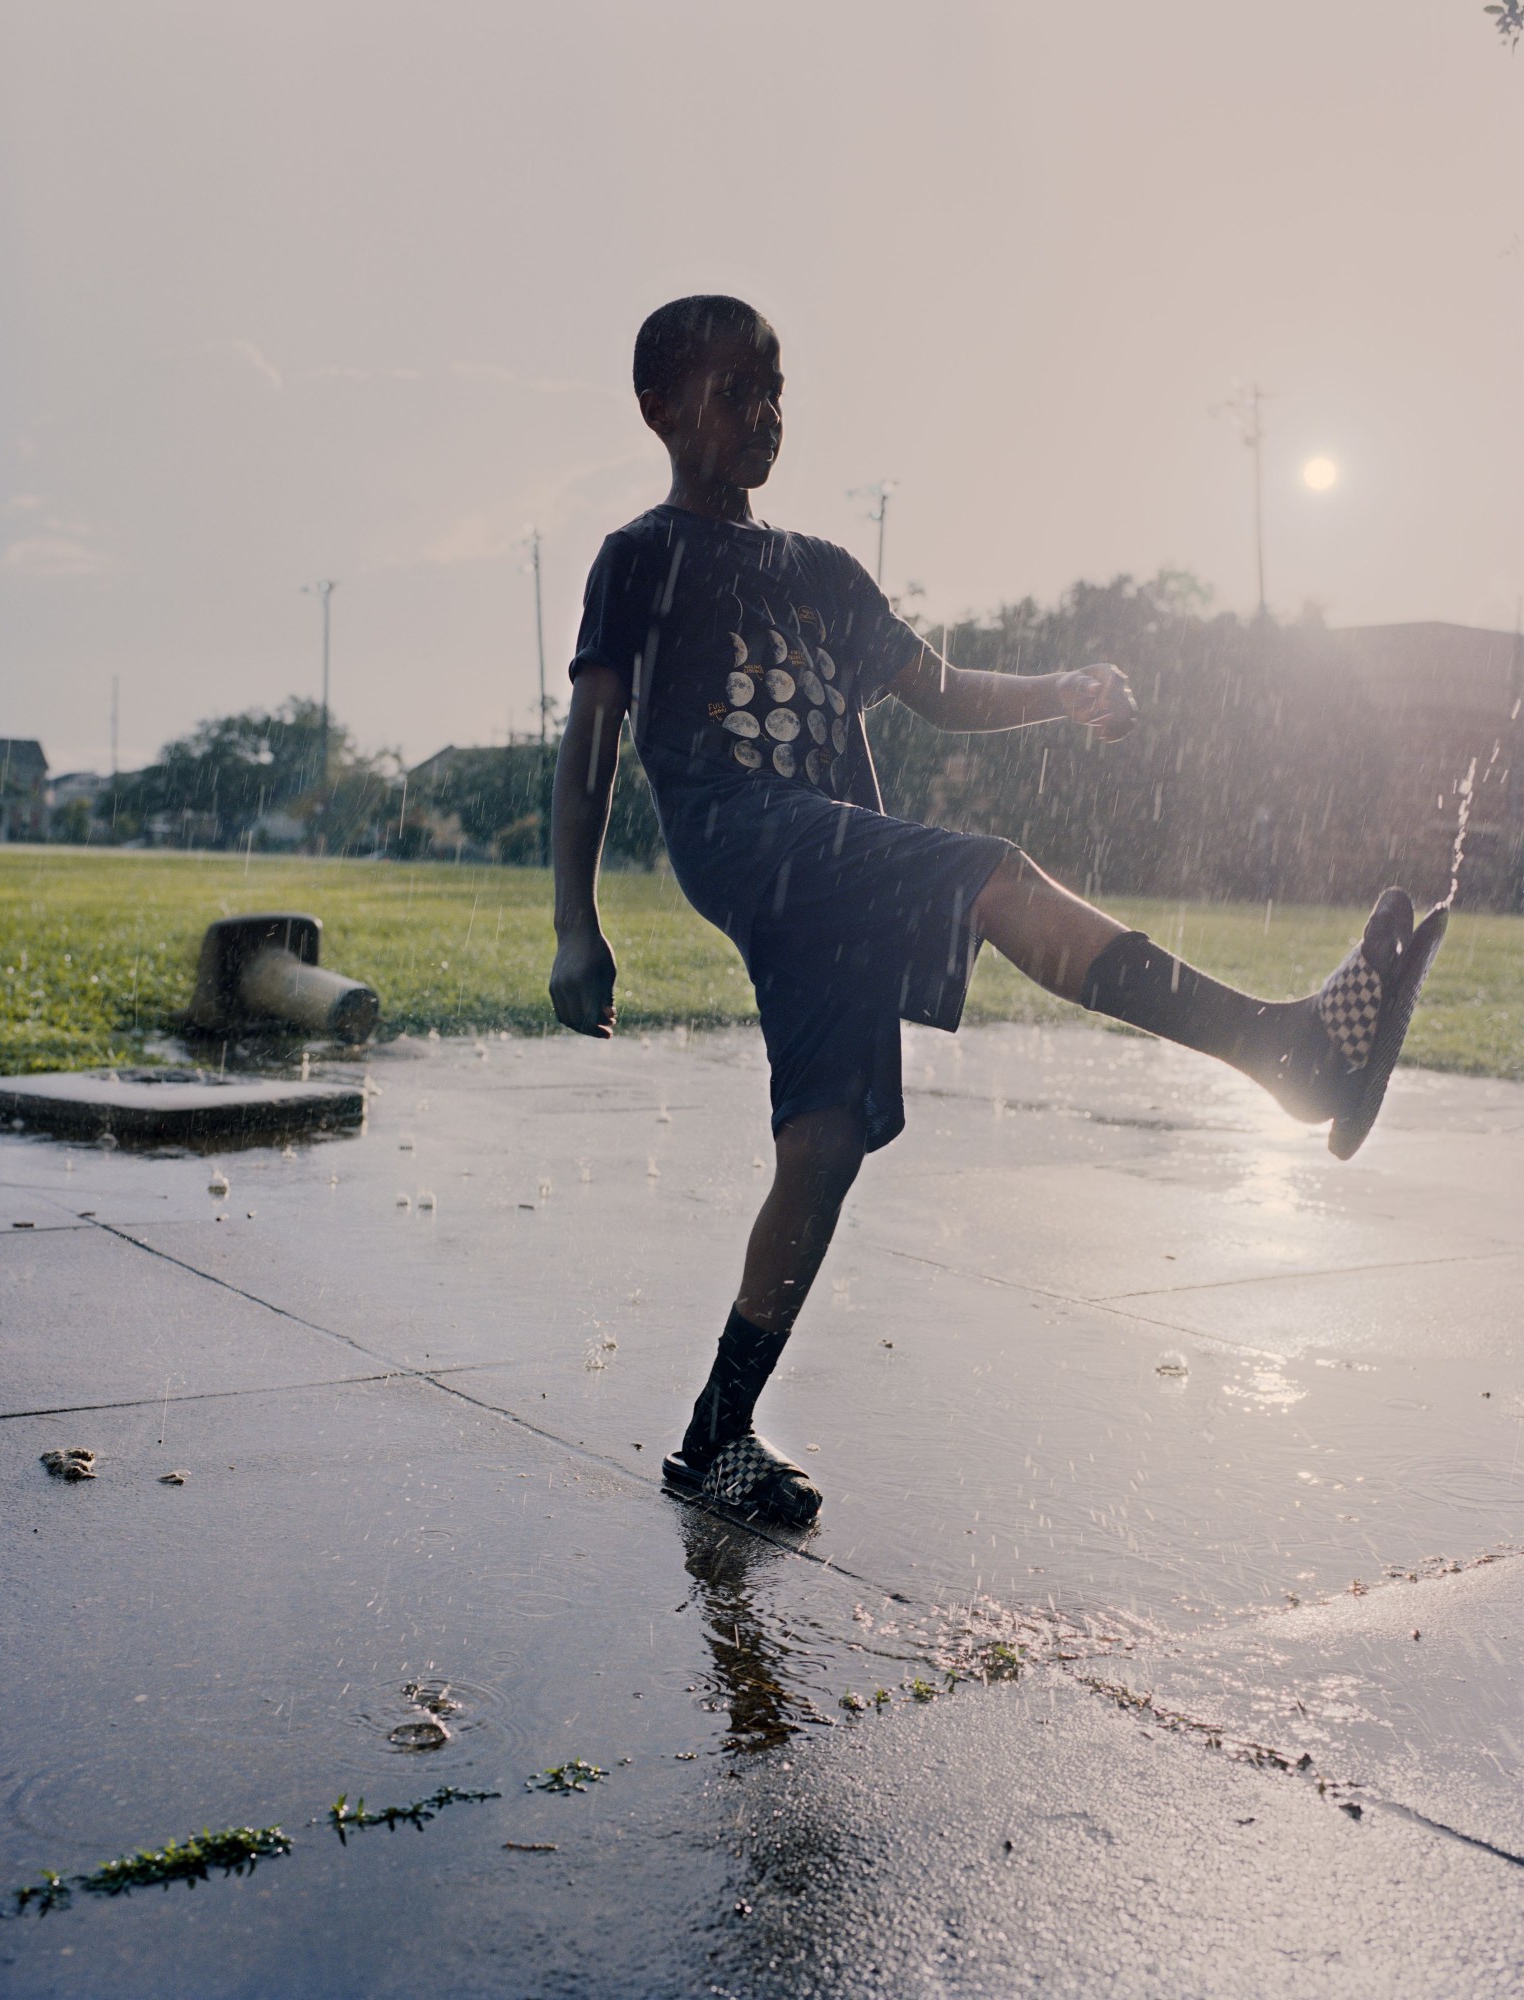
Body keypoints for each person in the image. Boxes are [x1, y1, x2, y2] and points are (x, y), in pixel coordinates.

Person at [548, 295, 1445, 1529]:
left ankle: (715, 1435)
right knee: (993, 869)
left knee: (826, 1140)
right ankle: (1281, 1049)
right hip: (746, 837)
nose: (762, 413)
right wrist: (572, 921)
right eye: (730, 390)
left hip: (833, 865)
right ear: (657, 409)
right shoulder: (639, 556)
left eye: (776, 389)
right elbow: (591, 736)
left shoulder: (820, 568)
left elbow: (944, 691)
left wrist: (1063, 688)